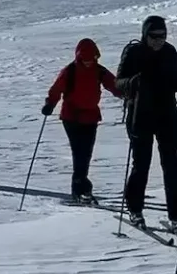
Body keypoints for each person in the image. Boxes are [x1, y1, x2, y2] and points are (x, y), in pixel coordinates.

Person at [114, 15, 177, 225]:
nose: (158, 40)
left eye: (162, 36)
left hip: (167, 115)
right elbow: (118, 83)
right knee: (141, 165)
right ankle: (135, 209)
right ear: (145, 35)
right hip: (140, 116)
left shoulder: (169, 52)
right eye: (153, 36)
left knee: (172, 165)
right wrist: (132, 82)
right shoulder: (133, 52)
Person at [40, 38, 122, 200]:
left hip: (90, 116)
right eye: (85, 59)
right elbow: (56, 89)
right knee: (79, 152)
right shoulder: (70, 71)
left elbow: (114, 85)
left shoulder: (99, 71)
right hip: (71, 117)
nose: (88, 62)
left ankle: (82, 186)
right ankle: (79, 188)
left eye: (91, 59)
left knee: (86, 153)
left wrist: (126, 94)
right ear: (79, 57)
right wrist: (50, 104)